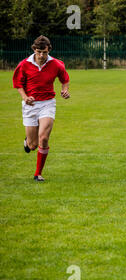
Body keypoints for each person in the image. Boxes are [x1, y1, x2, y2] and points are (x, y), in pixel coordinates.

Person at [12, 35, 70, 182]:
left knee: (43, 138)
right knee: (33, 145)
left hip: (47, 103)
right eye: (39, 52)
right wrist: (25, 98)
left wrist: (64, 90)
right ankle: (28, 142)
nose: (42, 55)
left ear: (49, 50)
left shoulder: (56, 64)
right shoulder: (24, 64)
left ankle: (38, 174)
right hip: (30, 105)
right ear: (34, 50)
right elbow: (18, 84)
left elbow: (65, 79)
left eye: (44, 52)